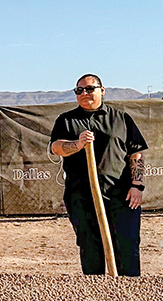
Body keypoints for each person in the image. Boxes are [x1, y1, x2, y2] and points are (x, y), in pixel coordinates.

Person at [49, 75, 148, 276]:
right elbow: (56, 148)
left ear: (102, 90)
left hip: (121, 196)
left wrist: (137, 185)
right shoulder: (67, 120)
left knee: (127, 246)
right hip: (82, 197)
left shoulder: (121, 118)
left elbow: (136, 152)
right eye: (79, 90)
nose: (84, 93)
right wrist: (77, 144)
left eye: (89, 89)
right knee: (90, 248)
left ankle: (129, 299)